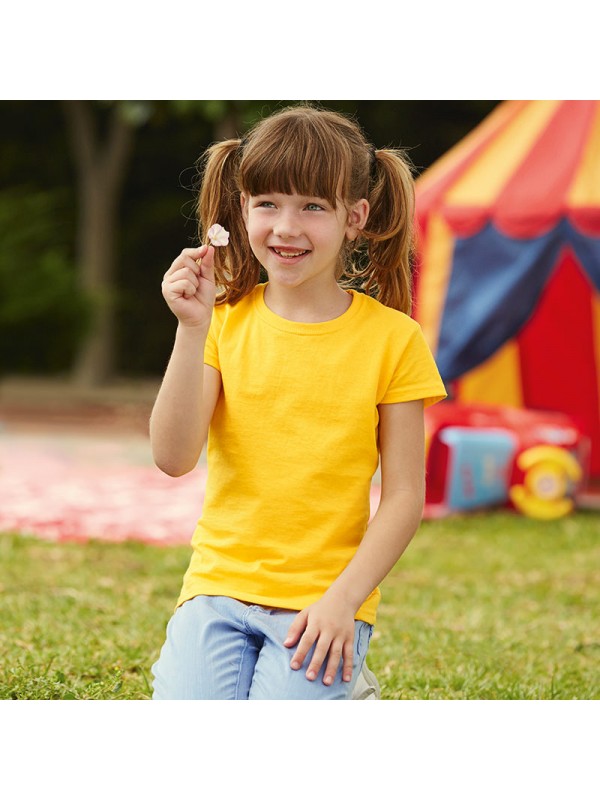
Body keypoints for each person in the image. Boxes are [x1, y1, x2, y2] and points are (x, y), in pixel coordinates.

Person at [150, 104, 447, 700]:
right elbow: (173, 456)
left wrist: (343, 602)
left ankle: (350, 683)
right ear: (242, 210)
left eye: (313, 206)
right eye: (268, 203)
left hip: (326, 599)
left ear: (355, 217)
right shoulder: (220, 325)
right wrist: (190, 329)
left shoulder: (394, 339)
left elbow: (406, 496)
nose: (286, 227)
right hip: (216, 589)